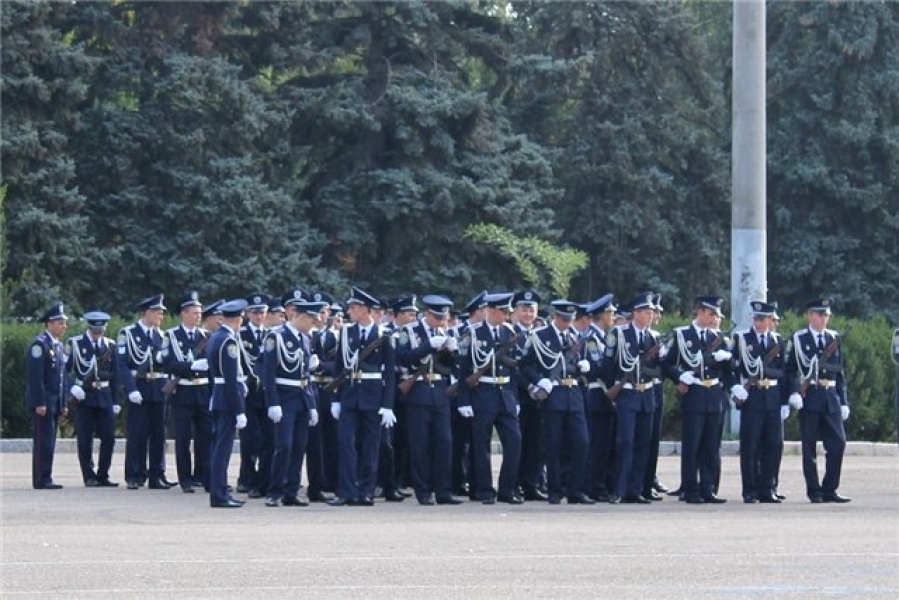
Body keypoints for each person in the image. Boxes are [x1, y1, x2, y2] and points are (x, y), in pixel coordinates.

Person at [519, 300, 594, 505]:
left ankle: (575, 490)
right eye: (564, 319)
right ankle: (555, 489)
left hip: (574, 394)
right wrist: (539, 381)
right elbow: (524, 366)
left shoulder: (576, 336)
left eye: (570, 319)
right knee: (553, 444)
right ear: (555, 317)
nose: (567, 323)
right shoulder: (540, 336)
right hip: (554, 395)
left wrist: (585, 366)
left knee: (581, 442)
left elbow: (581, 365)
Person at [328, 286, 397, 506]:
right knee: (345, 442)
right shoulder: (347, 333)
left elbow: (389, 372)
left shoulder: (384, 335)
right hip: (349, 394)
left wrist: (387, 405)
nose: (349, 311)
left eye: (354, 307)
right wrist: (336, 399)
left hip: (373, 394)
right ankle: (347, 491)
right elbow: (339, 368)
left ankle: (366, 490)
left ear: (365, 310)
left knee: (370, 445)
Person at [662, 295, 733, 504]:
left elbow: (729, 371)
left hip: (714, 395)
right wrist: (679, 376)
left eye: (717, 315)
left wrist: (729, 361)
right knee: (692, 444)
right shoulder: (683, 335)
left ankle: (708, 488)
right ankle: (691, 489)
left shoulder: (720, 338)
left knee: (712, 446)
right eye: (711, 314)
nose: (714, 319)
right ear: (700, 312)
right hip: (694, 394)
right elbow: (667, 364)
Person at [456, 292, 524, 505]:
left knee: (514, 442)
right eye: (503, 311)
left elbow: (515, 369)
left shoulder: (510, 332)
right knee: (481, 445)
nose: (506, 315)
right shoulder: (473, 333)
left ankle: (506, 489)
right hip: (483, 395)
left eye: (507, 312)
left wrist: (516, 398)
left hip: (505, 394)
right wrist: (463, 400)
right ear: (491, 311)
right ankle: (484, 490)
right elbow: (464, 370)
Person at [395, 294, 462, 505]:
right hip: (418, 391)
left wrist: (451, 351)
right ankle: (422, 490)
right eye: (437, 317)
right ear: (427, 314)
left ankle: (443, 490)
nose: (441, 322)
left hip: (440, 392)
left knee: (444, 442)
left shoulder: (446, 332)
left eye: (444, 317)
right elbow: (403, 359)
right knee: (420, 444)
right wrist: (428, 346)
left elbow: (450, 367)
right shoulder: (409, 331)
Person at [262, 291, 325, 507]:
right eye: (311, 319)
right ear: (298, 316)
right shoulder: (276, 336)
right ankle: (274, 491)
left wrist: (312, 406)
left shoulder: (306, 339)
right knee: (284, 446)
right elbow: (268, 373)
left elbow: (305, 375)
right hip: (284, 398)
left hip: (301, 399)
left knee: (299, 447)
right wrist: (273, 403)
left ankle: (291, 491)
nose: (313, 324)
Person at [786, 298, 851, 503]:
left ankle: (830, 488)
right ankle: (814, 491)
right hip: (810, 396)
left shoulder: (834, 338)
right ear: (810, 315)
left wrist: (843, 401)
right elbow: (790, 370)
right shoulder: (799, 339)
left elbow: (840, 374)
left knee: (838, 444)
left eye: (826, 315)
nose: (824, 318)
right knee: (809, 446)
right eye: (820, 314)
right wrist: (795, 391)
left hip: (830, 397)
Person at [601, 293, 663, 504]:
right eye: (646, 312)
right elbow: (607, 365)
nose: (650, 316)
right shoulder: (619, 334)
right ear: (636, 313)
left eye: (651, 313)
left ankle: (635, 490)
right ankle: (619, 489)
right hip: (627, 392)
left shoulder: (653, 338)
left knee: (643, 443)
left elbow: (656, 369)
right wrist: (615, 387)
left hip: (646, 394)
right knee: (625, 442)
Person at [730, 301, 788, 503]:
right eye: (756, 318)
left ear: (771, 320)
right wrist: (735, 387)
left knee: (773, 445)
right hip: (752, 396)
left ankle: (768, 487)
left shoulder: (778, 341)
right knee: (750, 446)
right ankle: (750, 490)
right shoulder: (741, 339)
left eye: (763, 319)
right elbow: (732, 368)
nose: (758, 322)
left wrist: (785, 401)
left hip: (772, 396)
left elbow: (784, 372)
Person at [117, 294, 174, 490]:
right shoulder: (128, 334)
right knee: (137, 433)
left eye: (162, 312)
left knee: (159, 433)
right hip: (139, 386)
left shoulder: (163, 336)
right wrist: (131, 389)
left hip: (159, 388)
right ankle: (134, 474)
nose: (161, 316)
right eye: (158, 312)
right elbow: (122, 365)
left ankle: (157, 474)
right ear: (147, 313)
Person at [162, 291, 212, 493]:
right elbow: (169, 364)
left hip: (203, 391)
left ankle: (204, 476)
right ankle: (185, 479)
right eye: (194, 313)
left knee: (205, 438)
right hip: (183, 392)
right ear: (184, 313)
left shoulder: (206, 337)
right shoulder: (171, 336)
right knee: (183, 439)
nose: (198, 316)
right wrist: (191, 367)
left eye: (200, 313)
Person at [67, 310, 120, 487]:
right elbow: (64, 371)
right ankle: (88, 475)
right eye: (95, 331)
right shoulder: (75, 344)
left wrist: (116, 401)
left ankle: (103, 474)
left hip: (104, 396)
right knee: (84, 437)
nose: (98, 334)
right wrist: (71, 387)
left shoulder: (110, 346)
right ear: (89, 328)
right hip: (85, 397)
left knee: (109, 437)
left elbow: (115, 376)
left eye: (101, 330)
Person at [206, 299, 249, 508]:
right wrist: (239, 409)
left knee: (219, 448)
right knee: (222, 450)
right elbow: (230, 379)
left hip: (219, 396)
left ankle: (220, 491)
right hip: (226, 399)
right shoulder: (229, 341)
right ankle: (219, 494)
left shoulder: (216, 337)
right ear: (239, 319)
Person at [26, 302, 70, 489]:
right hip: (43, 403)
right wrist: (40, 402)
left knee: (50, 441)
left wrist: (63, 403)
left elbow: (61, 378)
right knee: (42, 441)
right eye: (60, 323)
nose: (64, 327)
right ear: (50, 324)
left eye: (64, 323)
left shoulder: (58, 346)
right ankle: (40, 479)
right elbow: (36, 378)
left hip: (54, 402)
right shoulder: (40, 345)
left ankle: (47, 475)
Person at [449, 291, 487, 499]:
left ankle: (476, 485)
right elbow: (455, 363)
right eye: (484, 310)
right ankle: (457, 481)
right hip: (460, 391)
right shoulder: (458, 333)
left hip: (482, 392)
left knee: (477, 441)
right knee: (459, 441)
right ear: (476, 312)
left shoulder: (488, 333)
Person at [511, 290, 547, 501]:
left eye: (531, 310)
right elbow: (514, 368)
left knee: (536, 444)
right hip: (517, 395)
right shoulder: (510, 333)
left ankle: (531, 485)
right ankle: (514, 485)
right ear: (515, 311)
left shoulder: (541, 334)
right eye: (524, 309)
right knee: (517, 443)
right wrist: (529, 386)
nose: (528, 313)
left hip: (539, 397)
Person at [581, 294, 617, 501]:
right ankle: (594, 487)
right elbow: (598, 369)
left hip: (605, 398)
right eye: (611, 313)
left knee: (606, 446)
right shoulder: (592, 338)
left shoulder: (604, 336)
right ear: (603, 315)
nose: (613, 316)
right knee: (598, 446)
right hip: (597, 396)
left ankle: (601, 485)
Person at [236, 292, 271, 498]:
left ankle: (262, 481)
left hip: (266, 392)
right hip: (248, 392)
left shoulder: (271, 335)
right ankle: (246, 478)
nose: (259, 316)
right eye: (255, 313)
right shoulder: (240, 335)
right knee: (249, 439)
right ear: (248, 313)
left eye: (262, 313)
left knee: (267, 438)